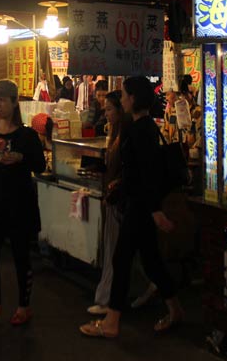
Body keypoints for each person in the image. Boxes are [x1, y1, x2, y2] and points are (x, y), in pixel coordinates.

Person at [80, 76, 184, 339]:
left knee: (122, 258)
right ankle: (175, 308)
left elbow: (145, 174)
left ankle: (112, 321)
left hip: (141, 206)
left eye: (124, 95)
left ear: (133, 98)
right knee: (150, 261)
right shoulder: (143, 126)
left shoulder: (141, 130)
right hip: (141, 204)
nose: (121, 99)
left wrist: (154, 210)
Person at [0, 79, 45, 329]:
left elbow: (40, 166)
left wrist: (22, 157)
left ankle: (24, 306)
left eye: (2, 99)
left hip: (20, 202)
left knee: (21, 256)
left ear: (14, 102)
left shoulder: (27, 135)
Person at [87, 90, 132, 316]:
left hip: (119, 201)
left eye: (109, 109)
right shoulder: (114, 133)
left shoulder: (126, 134)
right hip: (114, 197)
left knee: (114, 250)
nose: (105, 114)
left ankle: (107, 300)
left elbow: (125, 170)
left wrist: (112, 186)